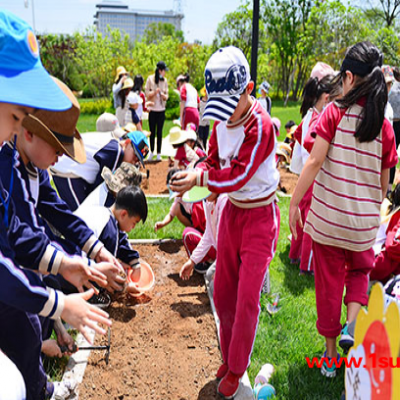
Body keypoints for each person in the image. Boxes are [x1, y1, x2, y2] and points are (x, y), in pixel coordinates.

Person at [0, 10, 111, 398]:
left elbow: (18, 231)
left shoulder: (19, 163)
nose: (13, 130)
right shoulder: (7, 161)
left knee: (29, 330)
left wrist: (67, 262)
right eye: (14, 116)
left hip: (18, 275)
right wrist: (59, 304)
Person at [170, 46, 280, 399]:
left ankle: (236, 366)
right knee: (224, 291)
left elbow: (239, 174)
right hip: (233, 214)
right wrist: (197, 171)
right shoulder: (220, 124)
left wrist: (201, 180)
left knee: (248, 297)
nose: (225, 116)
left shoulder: (261, 125)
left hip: (260, 217)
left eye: (230, 104)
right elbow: (212, 161)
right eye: (218, 107)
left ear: (249, 89)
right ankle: (232, 356)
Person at [289, 41, 398, 378]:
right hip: (363, 223)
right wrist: (371, 204)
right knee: (358, 273)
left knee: (328, 283)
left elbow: (315, 160)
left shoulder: (334, 112)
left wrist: (294, 201)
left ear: (349, 77)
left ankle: (330, 354)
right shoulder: (384, 125)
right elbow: (384, 184)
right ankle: (352, 323)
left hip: (328, 220)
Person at [0, 78, 127, 293]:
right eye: (57, 149)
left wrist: (97, 251)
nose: (59, 158)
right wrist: (80, 266)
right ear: (30, 134)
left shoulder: (34, 168)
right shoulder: (8, 171)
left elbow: (57, 210)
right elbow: (22, 238)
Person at [288, 63, 335, 274]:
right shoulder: (318, 118)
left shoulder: (308, 115)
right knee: (310, 222)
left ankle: (294, 255)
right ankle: (307, 265)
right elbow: (308, 144)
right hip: (314, 176)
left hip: (305, 175)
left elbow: (298, 140)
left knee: (301, 218)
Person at [50, 130, 149, 211]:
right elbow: (101, 189)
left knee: (82, 218)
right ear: (127, 143)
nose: (134, 161)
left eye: (138, 160)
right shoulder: (116, 151)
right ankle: (52, 225)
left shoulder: (114, 146)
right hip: (68, 169)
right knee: (82, 218)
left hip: (72, 170)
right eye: (135, 155)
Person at [75, 185, 147, 293]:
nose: (133, 227)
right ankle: (91, 296)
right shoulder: (110, 231)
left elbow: (121, 240)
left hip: (61, 260)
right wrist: (125, 287)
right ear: (123, 214)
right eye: (134, 223)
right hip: (74, 274)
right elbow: (108, 272)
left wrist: (134, 262)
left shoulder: (103, 213)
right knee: (103, 292)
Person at [180, 192, 228, 279]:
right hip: (223, 254)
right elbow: (208, 235)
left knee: (212, 279)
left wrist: (221, 267)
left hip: (233, 256)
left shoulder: (224, 202)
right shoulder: (209, 202)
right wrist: (192, 261)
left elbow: (226, 241)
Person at [155, 169, 206, 233]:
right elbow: (171, 214)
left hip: (205, 220)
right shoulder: (178, 199)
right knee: (177, 208)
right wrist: (163, 223)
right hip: (195, 220)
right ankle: (196, 231)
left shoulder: (195, 196)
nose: (178, 195)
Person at [145, 61, 169, 161]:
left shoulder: (165, 81)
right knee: (152, 131)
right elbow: (146, 93)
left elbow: (167, 95)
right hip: (152, 109)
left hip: (161, 110)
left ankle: (159, 153)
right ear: (160, 70)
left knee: (159, 132)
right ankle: (151, 152)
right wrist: (155, 92)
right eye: (164, 71)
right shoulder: (150, 79)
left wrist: (164, 96)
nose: (164, 73)